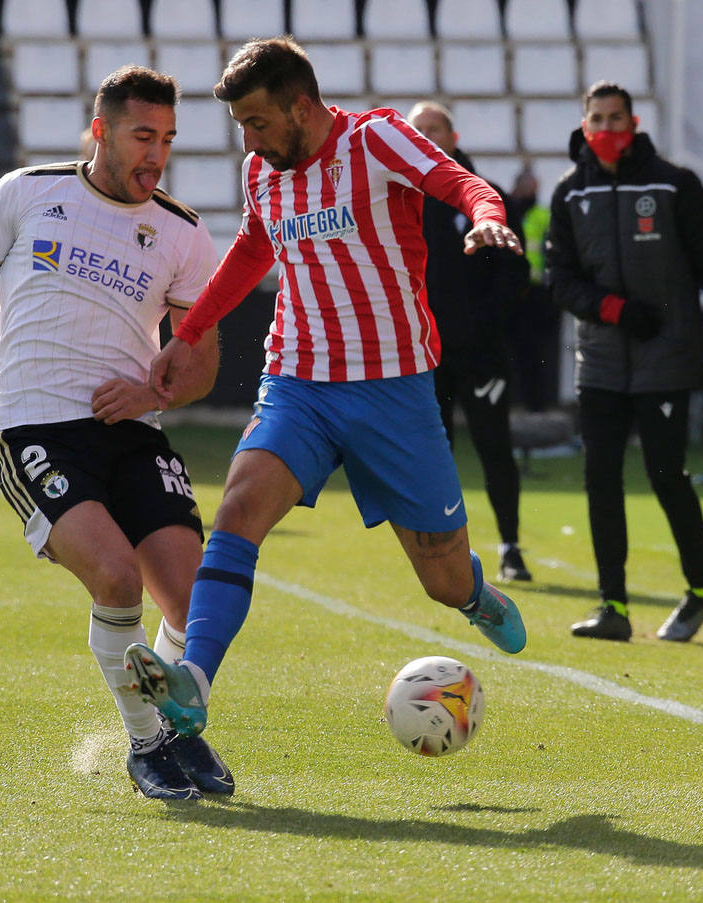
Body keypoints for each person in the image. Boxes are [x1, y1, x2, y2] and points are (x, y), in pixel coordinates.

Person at [121, 37, 528, 749]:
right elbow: (254, 247)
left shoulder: (374, 141)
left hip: (395, 390)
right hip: (299, 382)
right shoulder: (262, 172)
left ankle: (473, 593)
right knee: (239, 509)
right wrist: (188, 334)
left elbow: (456, 181)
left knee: (436, 575)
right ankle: (194, 681)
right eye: (242, 125)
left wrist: (488, 214)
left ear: (301, 106)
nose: (248, 138)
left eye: (257, 121)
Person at [0, 66, 229, 802]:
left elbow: (203, 360)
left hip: (133, 431)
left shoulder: (183, 232)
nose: (157, 154)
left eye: (169, 140)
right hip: (33, 425)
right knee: (117, 578)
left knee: (193, 601)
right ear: (101, 131)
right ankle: (148, 742)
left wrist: (154, 388)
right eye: (142, 136)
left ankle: (178, 724)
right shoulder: (27, 192)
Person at [545, 80, 703, 643]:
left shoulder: (675, 185)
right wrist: (611, 309)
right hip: (601, 362)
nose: (606, 130)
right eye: (597, 120)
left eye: (615, 118)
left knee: (665, 476)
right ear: (585, 125)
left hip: (666, 357)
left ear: (633, 123)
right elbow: (559, 279)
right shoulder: (569, 192)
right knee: (600, 480)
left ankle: (701, 589)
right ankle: (613, 607)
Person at [407, 100, 532, 582]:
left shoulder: (488, 196)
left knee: (494, 448)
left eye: (435, 129)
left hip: (481, 355)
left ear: (453, 138)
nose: (428, 137)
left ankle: (510, 546)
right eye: (419, 130)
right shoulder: (401, 199)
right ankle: (443, 553)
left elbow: (515, 272)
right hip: (424, 355)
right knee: (433, 456)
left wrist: (481, 327)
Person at [508, 164, 561, 412]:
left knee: (535, 352)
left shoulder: (543, 215)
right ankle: (515, 402)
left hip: (536, 294)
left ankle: (536, 404)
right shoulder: (507, 213)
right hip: (511, 294)